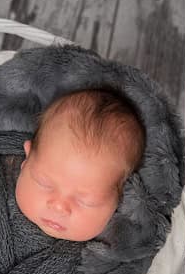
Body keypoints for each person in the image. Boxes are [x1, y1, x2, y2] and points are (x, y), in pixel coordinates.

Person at [15, 89, 145, 241]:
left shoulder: (119, 248)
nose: (59, 207)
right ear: (27, 158)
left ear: (122, 197)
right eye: (44, 183)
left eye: (86, 202)